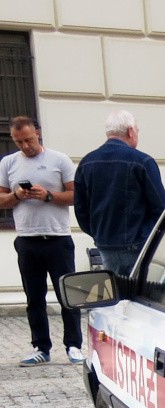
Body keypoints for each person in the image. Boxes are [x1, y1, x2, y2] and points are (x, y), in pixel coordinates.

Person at [0, 116, 81, 366]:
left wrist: (47, 195)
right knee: (34, 297)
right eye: (19, 142)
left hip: (57, 238)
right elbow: (1, 200)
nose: (25, 146)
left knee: (67, 295)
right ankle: (41, 347)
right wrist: (17, 194)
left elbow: (75, 195)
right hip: (27, 239)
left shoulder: (59, 160)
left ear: (38, 133)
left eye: (29, 140)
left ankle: (74, 346)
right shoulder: (8, 163)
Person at [74, 110, 165, 276]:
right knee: (141, 297)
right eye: (137, 131)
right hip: (138, 244)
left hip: (105, 245)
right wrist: (147, 235)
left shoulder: (86, 162)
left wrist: (98, 235)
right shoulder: (142, 161)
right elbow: (162, 207)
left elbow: (81, 209)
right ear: (130, 131)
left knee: (117, 296)